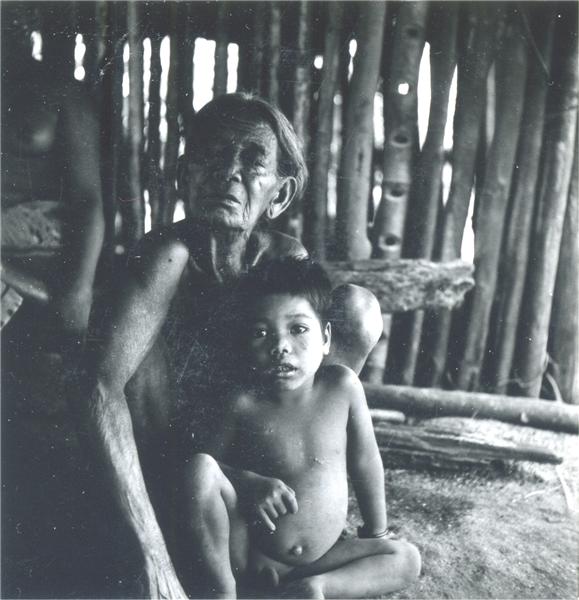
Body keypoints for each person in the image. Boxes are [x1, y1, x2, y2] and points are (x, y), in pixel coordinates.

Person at [77, 92, 383, 598]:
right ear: (185, 177)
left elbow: (294, 394)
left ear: (279, 196)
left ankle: (292, 522)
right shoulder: (167, 256)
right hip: (170, 463)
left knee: (354, 309)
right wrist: (151, 560)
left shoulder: (285, 258)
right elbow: (99, 388)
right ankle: (169, 541)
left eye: (252, 162)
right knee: (136, 363)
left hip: (243, 459)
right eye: (212, 156)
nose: (229, 173)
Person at [180, 257, 421, 599]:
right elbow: (203, 473)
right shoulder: (242, 403)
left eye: (298, 329)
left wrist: (376, 533)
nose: (280, 346)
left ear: (326, 338)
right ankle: (224, 591)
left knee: (405, 558)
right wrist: (246, 483)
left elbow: (366, 461)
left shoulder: (342, 387)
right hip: (249, 557)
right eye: (261, 333)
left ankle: (313, 589)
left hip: (317, 562)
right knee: (200, 467)